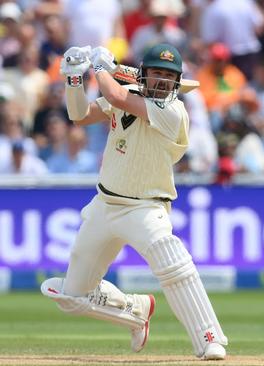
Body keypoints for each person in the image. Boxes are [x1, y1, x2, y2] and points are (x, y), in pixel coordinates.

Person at [40, 43, 228, 360]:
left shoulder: (175, 112)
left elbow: (116, 97)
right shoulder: (125, 90)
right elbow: (80, 116)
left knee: (174, 263)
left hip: (146, 208)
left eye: (170, 76)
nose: (163, 81)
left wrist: (100, 68)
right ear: (143, 75)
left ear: (177, 82)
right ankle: (135, 310)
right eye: (157, 73)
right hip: (105, 205)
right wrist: (73, 77)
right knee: (71, 297)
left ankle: (209, 337)